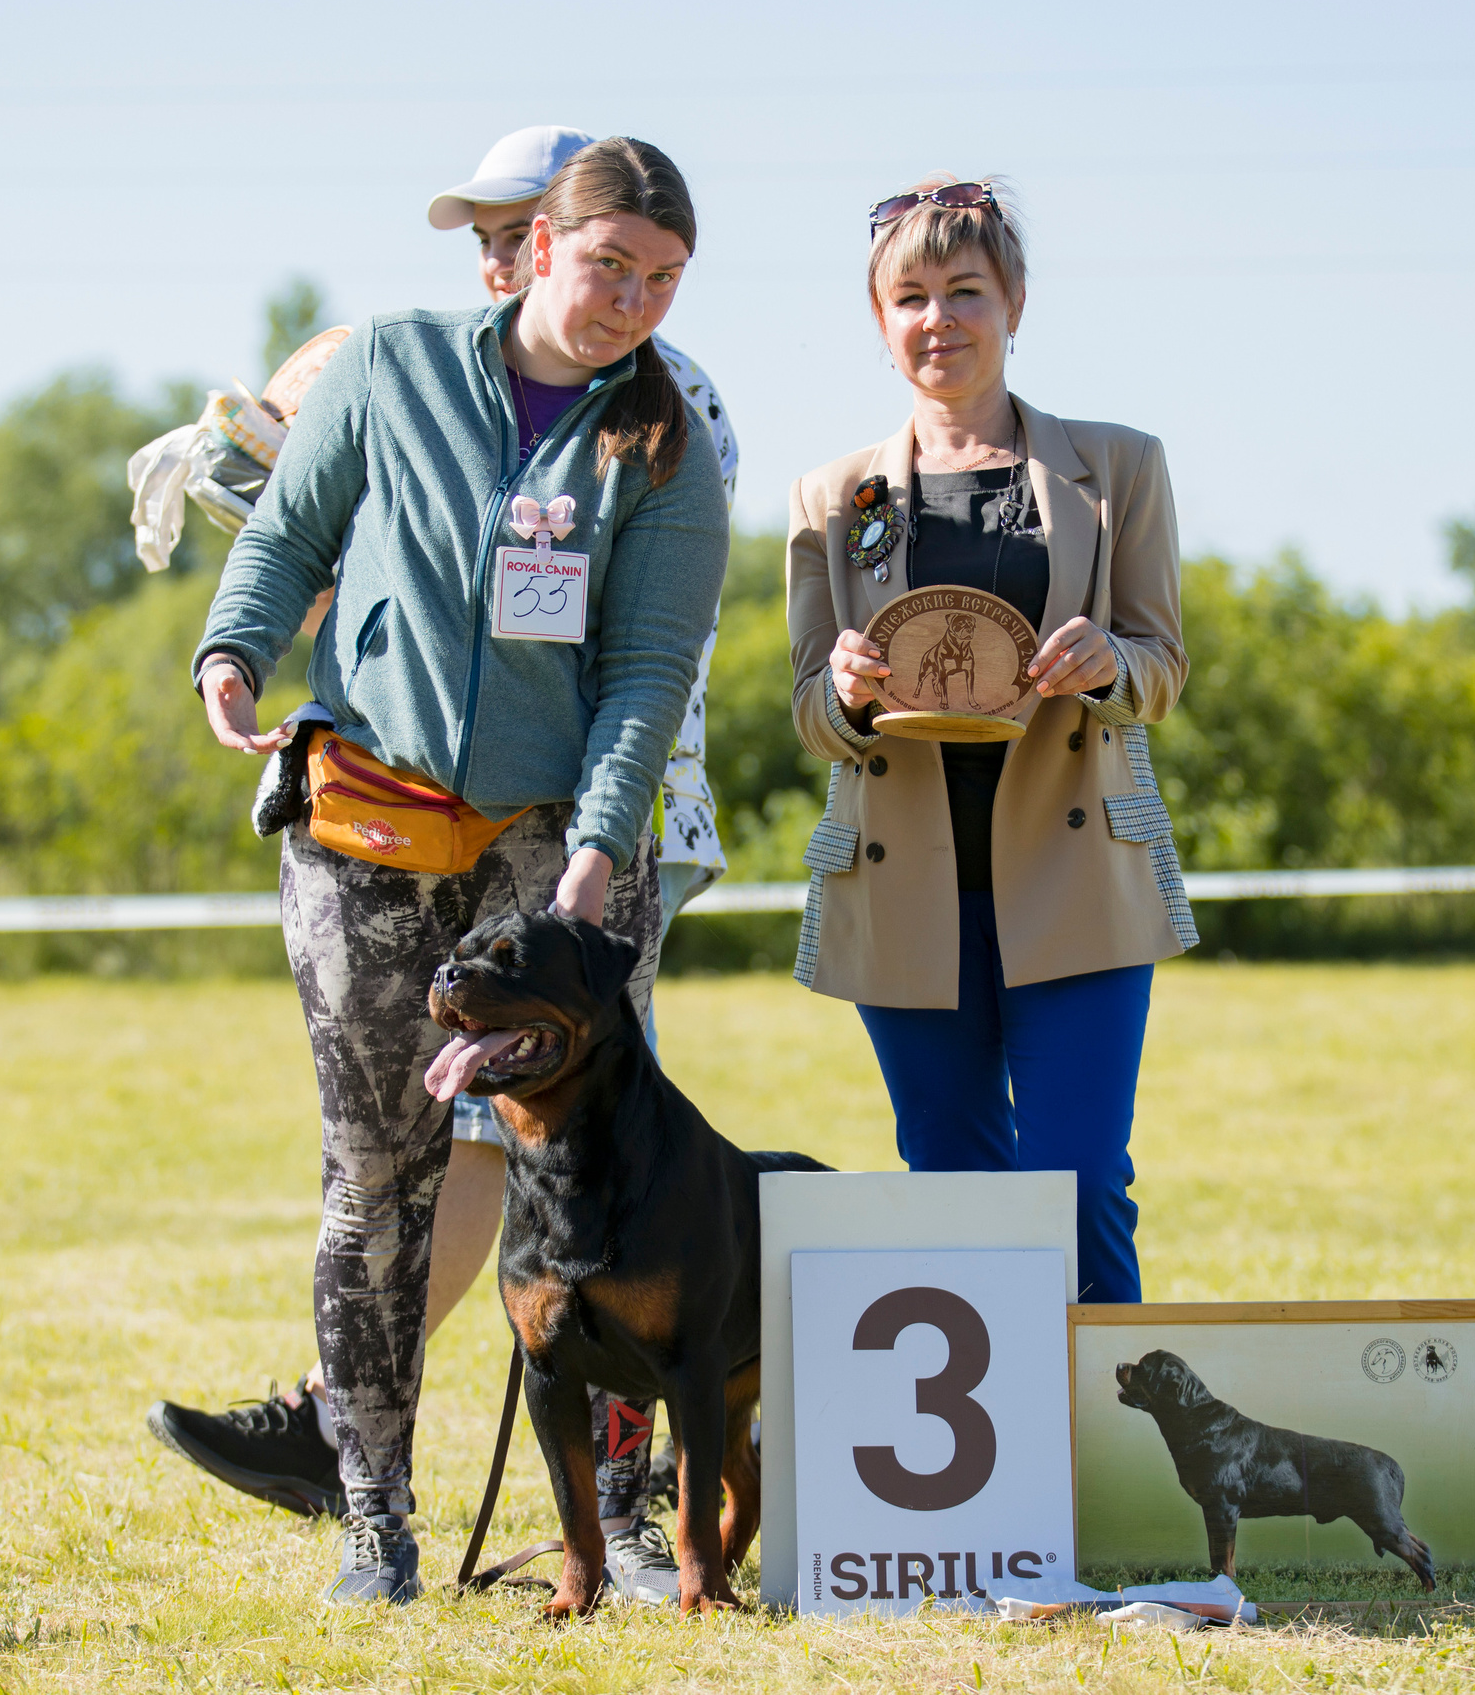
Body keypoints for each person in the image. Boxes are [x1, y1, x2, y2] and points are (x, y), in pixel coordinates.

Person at [146, 126, 737, 1610]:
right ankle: (373, 1520)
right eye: (609, 266)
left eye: (662, 280)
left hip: (561, 844)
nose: (632, 303)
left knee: (607, 1169)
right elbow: (290, 531)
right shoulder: (392, 362)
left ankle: (625, 1516)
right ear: (541, 246)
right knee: (380, 1176)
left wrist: (601, 848)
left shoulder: (664, 438)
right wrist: (232, 647)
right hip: (369, 818)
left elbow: (649, 670)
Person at [786, 175, 1197, 1305]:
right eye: (909, 296)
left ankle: (1113, 1458)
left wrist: (1113, 664)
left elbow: (1162, 667)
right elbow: (808, 715)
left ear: (1014, 301)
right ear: (879, 322)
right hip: (904, 887)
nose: (939, 319)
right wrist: (845, 689)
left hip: (1078, 878)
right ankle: (992, 1475)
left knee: (1079, 1181)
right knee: (952, 1182)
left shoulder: (1118, 468)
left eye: (964, 290)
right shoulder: (831, 497)